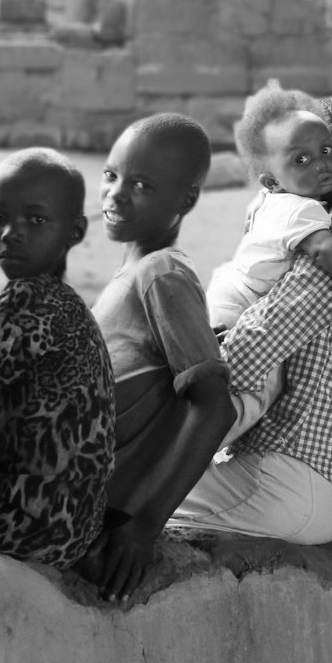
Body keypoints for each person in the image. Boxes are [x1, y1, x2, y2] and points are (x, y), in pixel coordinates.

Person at [171, 94, 332, 544]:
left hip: (299, 479)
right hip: (328, 481)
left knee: (134, 488)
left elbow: (257, 344)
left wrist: (169, 397)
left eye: (322, 147)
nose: (314, 160)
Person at [84, 114, 234, 603]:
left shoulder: (162, 274)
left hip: (98, 506)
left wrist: (145, 525)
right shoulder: (135, 269)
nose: (116, 194)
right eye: (111, 175)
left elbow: (214, 406)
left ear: (186, 200)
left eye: (142, 185)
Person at [207, 84, 332, 438]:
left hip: (228, 286)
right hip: (243, 301)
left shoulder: (270, 197)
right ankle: (198, 445)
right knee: (246, 404)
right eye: (301, 159)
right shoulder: (307, 212)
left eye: (325, 150)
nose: (320, 164)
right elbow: (324, 250)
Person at [0, 148, 114, 570]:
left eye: (35, 220)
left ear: (74, 232)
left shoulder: (34, 298)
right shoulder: (66, 302)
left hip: (27, 518)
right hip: (70, 522)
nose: (10, 233)